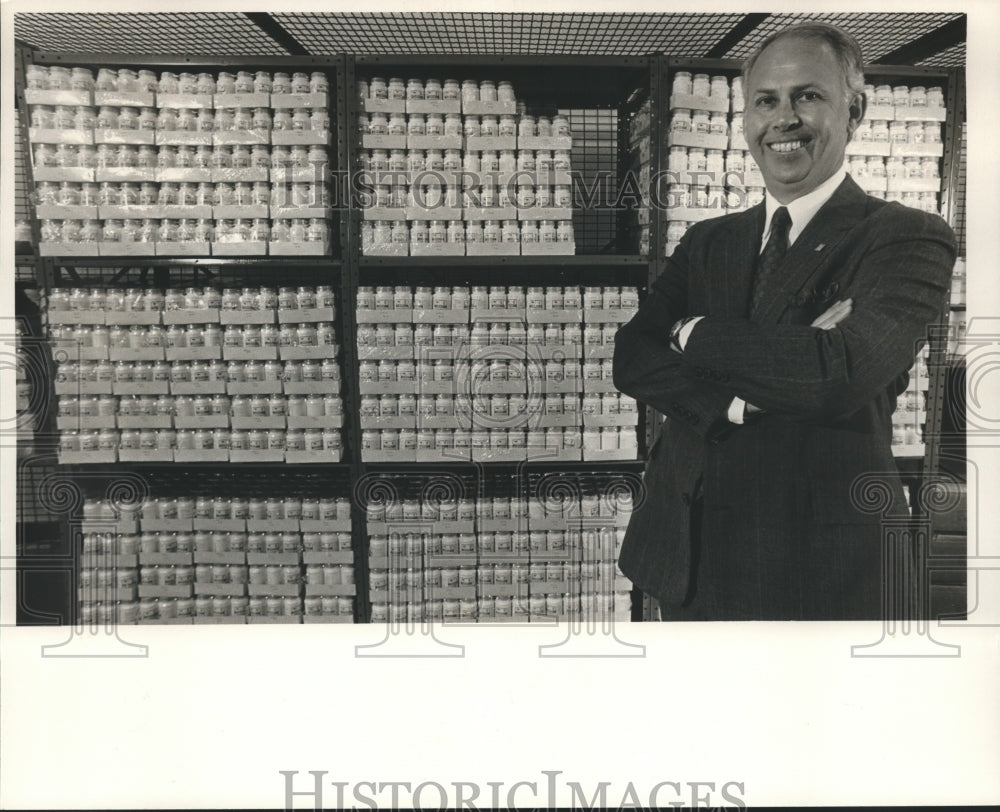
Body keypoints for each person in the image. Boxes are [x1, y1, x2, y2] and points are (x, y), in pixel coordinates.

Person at [613, 22, 957, 620]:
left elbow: (836, 374)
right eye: (766, 101)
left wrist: (691, 333)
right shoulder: (707, 241)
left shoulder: (906, 236)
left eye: (809, 96)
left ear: (854, 111)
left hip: (820, 565)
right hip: (688, 554)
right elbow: (633, 355)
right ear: (746, 118)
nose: (784, 119)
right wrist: (740, 399)